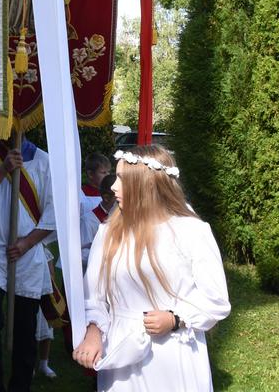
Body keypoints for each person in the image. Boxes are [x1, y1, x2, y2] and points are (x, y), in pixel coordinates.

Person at [73, 147, 231, 391]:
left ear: (146, 186)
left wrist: (176, 318)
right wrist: (94, 332)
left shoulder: (191, 231)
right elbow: (93, 295)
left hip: (172, 352)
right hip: (122, 350)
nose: (113, 187)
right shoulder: (108, 232)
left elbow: (216, 299)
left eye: (122, 180)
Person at [0, 136, 55, 392]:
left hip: (27, 254)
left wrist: (27, 242)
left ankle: (20, 385)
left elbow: (53, 210)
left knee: (25, 327)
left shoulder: (42, 161)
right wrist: (3, 168)